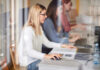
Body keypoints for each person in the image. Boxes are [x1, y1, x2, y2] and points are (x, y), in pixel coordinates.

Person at [16, 3, 76, 70]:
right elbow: (30, 51)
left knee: (58, 63)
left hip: (36, 60)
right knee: (55, 66)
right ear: (36, 15)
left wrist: (63, 46)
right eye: (43, 14)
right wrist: (47, 56)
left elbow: (47, 43)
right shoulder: (28, 30)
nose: (46, 16)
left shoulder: (38, 28)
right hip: (28, 64)